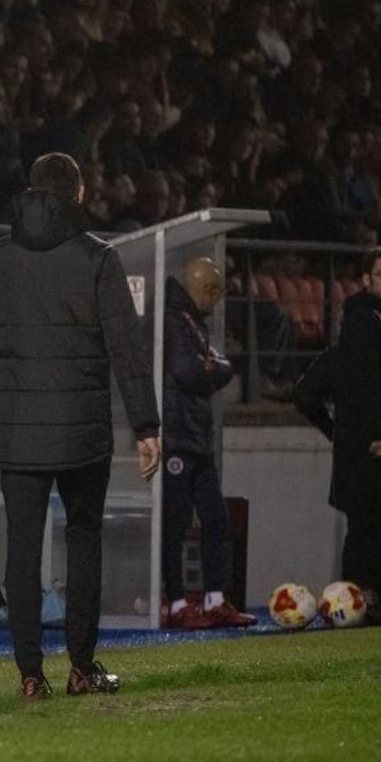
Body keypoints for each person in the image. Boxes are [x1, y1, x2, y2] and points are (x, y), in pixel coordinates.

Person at [0, 153, 160, 700]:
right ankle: (82, 668)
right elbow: (126, 348)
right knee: (83, 543)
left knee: (22, 552)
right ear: (78, 194)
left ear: (31, 193)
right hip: (83, 434)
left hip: (18, 434)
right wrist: (146, 426)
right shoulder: (98, 259)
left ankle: (30, 676)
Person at [294, 248, 381, 625]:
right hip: (373, 445)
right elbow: (367, 383)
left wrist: (338, 433)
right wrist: (377, 432)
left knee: (366, 524)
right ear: (367, 280)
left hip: (363, 443)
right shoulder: (365, 321)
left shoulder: (373, 321)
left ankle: (362, 601)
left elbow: (313, 391)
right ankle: (366, 596)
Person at [160, 258, 255, 629]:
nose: (217, 301)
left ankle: (215, 599)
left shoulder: (190, 321)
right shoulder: (174, 321)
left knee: (215, 518)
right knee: (176, 523)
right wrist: (215, 368)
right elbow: (188, 370)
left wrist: (212, 367)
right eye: (215, 291)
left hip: (196, 439)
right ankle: (177, 603)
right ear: (206, 290)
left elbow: (215, 366)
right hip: (177, 438)